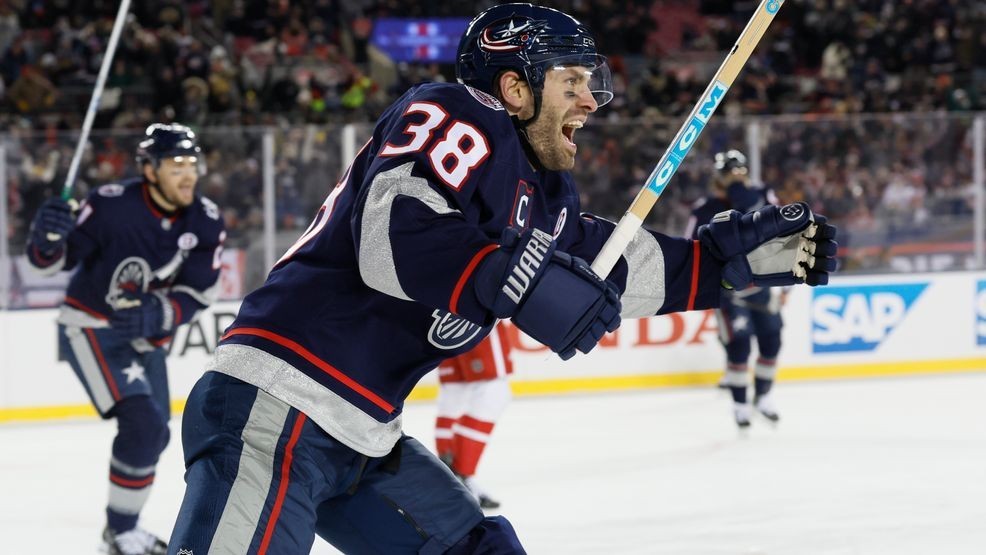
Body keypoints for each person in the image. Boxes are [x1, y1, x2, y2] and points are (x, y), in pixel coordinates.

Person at [169, 4, 837, 554]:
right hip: (280, 401)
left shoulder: (544, 195)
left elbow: (609, 261)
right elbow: (391, 235)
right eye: (571, 81)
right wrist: (503, 278)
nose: (590, 101)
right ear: (516, 87)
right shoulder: (460, 115)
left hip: (362, 435)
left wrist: (719, 267)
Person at [25, 124, 226, 555]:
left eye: (192, 164)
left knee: (153, 435)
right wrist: (46, 241)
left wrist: (163, 312)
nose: (188, 174)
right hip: (91, 324)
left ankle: (120, 531)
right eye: (176, 165)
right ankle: (120, 533)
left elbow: (200, 292)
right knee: (143, 423)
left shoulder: (205, 220)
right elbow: (51, 263)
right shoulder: (111, 206)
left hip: (145, 338)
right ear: (150, 170)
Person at [684, 149, 785, 428]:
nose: (737, 178)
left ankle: (763, 396)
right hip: (729, 291)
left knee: (772, 341)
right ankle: (740, 405)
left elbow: (777, 225)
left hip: (762, 285)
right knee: (739, 347)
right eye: (731, 173)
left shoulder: (763, 194)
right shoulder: (705, 207)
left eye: (740, 172)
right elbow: (690, 245)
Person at [435, 323, 514, 509]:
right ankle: (460, 474)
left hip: (444, 313)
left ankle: (447, 476)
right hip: (477, 310)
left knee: (454, 393)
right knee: (493, 391)